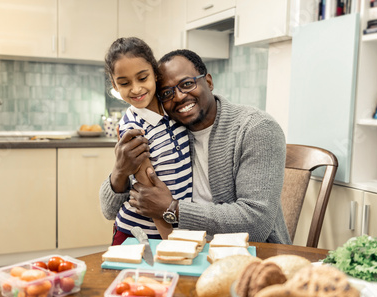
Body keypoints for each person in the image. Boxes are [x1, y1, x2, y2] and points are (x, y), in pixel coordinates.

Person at [100, 49, 291, 244]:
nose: (179, 97)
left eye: (187, 84)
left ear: (208, 81)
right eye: (167, 93)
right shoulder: (170, 130)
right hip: (187, 247)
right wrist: (120, 171)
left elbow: (256, 225)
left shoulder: (256, 129)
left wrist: (172, 208)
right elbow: (109, 210)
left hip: (249, 254)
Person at [103, 38, 193, 245]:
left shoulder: (172, 108)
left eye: (142, 78)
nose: (135, 89)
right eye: (124, 83)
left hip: (173, 228)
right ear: (114, 84)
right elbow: (149, 195)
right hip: (140, 235)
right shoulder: (133, 129)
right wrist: (173, 243)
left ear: (155, 73)